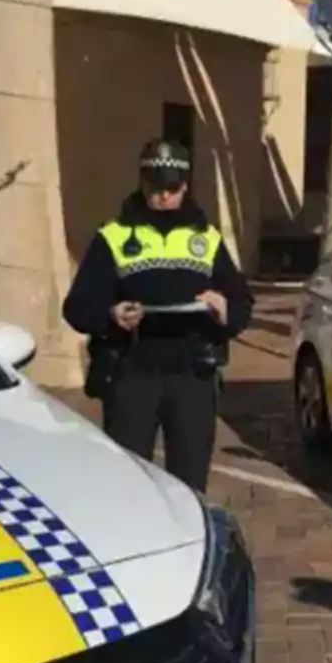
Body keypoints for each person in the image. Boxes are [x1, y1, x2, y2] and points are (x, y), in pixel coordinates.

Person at [62, 138, 253, 493]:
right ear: (142, 182)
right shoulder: (112, 236)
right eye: (156, 187)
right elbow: (76, 307)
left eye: (173, 188)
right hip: (132, 372)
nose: (164, 196)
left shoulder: (207, 238)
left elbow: (242, 302)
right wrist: (110, 315)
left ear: (186, 186)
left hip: (192, 375)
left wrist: (226, 309)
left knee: (190, 483)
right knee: (128, 482)